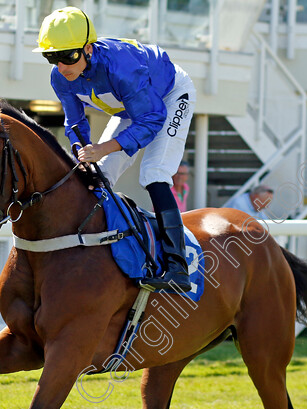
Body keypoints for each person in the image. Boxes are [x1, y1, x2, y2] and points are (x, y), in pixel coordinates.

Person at [35, 7, 196, 290]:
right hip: (132, 108)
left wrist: (104, 147)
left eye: (67, 56)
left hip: (169, 97)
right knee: (99, 175)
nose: (61, 66)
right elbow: (75, 122)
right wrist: (84, 152)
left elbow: (151, 119)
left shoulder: (120, 66)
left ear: (87, 48)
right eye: (52, 57)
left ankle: (178, 267)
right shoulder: (60, 77)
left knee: (154, 173)